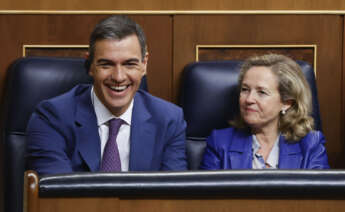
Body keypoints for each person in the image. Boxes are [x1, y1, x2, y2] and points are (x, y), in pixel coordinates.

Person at [26, 15, 187, 175]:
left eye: (129, 64)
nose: (118, 77)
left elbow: (173, 197)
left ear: (144, 65)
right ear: (90, 66)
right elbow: (57, 196)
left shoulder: (169, 120)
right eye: (106, 64)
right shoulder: (51, 118)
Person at [200, 54, 329, 169]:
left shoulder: (310, 145)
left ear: (286, 103)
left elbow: (319, 195)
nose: (249, 99)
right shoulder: (220, 142)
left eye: (262, 92)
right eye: (245, 89)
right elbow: (206, 195)